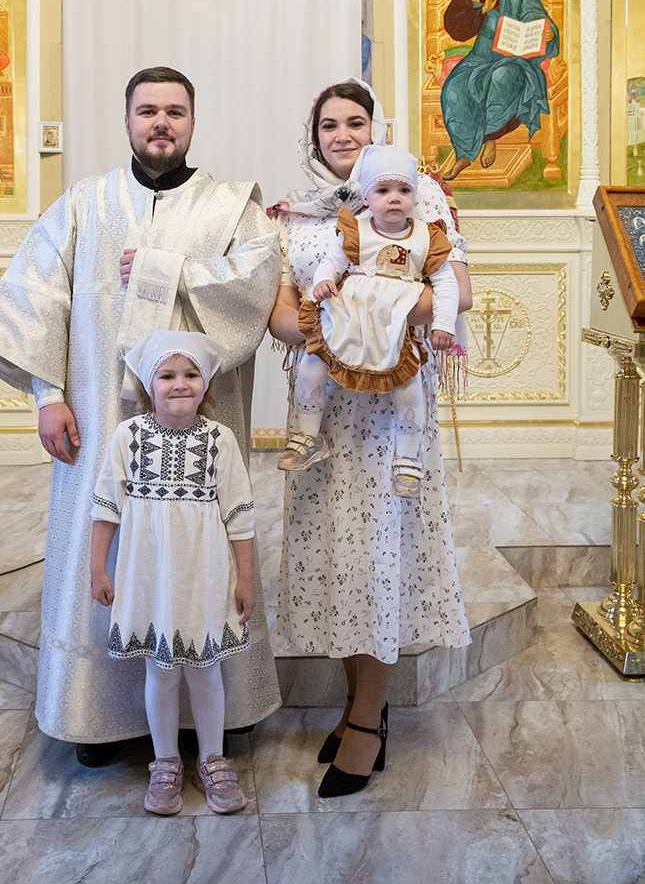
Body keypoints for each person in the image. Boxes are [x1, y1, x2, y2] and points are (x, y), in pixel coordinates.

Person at [0, 67, 281, 764]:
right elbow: (36, 298)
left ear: (192, 121)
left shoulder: (232, 208)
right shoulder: (85, 204)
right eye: (147, 111)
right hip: (101, 419)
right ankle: (100, 715)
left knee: (202, 547)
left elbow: (257, 286)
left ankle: (216, 717)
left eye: (174, 111)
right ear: (127, 121)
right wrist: (47, 397)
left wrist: (164, 268)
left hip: (201, 428)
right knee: (105, 546)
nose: (160, 122)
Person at [269, 78, 471, 799]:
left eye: (355, 122)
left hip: (392, 410)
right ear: (314, 137)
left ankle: (365, 720)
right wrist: (340, 322)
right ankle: (362, 704)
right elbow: (280, 316)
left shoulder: (418, 195)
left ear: (375, 129)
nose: (343, 135)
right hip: (326, 412)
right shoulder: (295, 215)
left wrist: (363, 310)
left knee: (381, 550)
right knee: (342, 556)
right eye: (329, 125)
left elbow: (454, 294)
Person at [91, 330, 255, 816]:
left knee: (205, 668)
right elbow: (105, 507)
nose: (179, 384)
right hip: (148, 574)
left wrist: (245, 578)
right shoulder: (129, 437)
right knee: (160, 670)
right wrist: (97, 568)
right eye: (167, 375)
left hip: (203, 573)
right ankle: (165, 761)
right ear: (149, 385)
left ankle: (212, 759)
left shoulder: (220, 440)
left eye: (190, 374)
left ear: (206, 384)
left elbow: (240, 514)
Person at [279, 145, 457, 501]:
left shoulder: (427, 236)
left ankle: (408, 458)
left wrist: (444, 325)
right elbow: (331, 264)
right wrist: (323, 281)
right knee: (313, 362)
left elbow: (447, 283)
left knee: (408, 385)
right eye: (383, 190)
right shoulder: (356, 230)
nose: (395, 198)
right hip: (348, 316)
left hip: (395, 325)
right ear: (366, 198)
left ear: (414, 195)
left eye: (404, 190)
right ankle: (308, 435)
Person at [440, 0, 560, 179]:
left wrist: (548, 30)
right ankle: (463, 153)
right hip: (482, 53)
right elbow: (453, 22)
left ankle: (490, 137)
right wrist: (482, 10)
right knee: (454, 89)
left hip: (514, 54)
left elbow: (535, 13)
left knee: (502, 76)